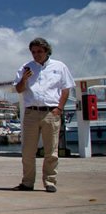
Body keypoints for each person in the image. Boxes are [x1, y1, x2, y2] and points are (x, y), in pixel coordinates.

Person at [12, 37, 74, 192]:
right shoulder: (26, 67)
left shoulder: (59, 67)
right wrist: (24, 79)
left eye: (39, 51)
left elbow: (66, 89)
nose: (36, 55)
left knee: (51, 151)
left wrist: (59, 108)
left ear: (47, 51)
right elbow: (18, 89)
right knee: (28, 151)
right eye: (33, 52)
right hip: (32, 112)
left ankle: (50, 181)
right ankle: (27, 182)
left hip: (50, 112)